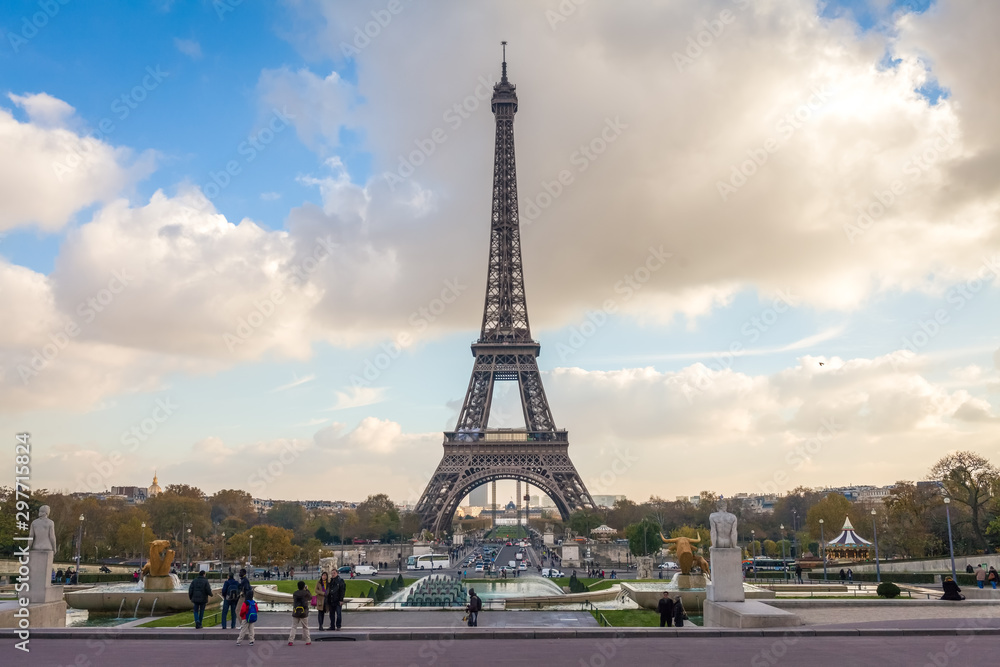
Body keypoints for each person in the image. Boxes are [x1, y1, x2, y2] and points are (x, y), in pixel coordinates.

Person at [288, 580, 312, 645]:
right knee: (305, 627)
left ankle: (291, 640)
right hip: (304, 612)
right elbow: (310, 597)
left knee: (294, 627)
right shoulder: (306, 593)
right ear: (304, 586)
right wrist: (307, 589)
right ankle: (308, 640)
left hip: (296, 612)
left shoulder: (295, 593)